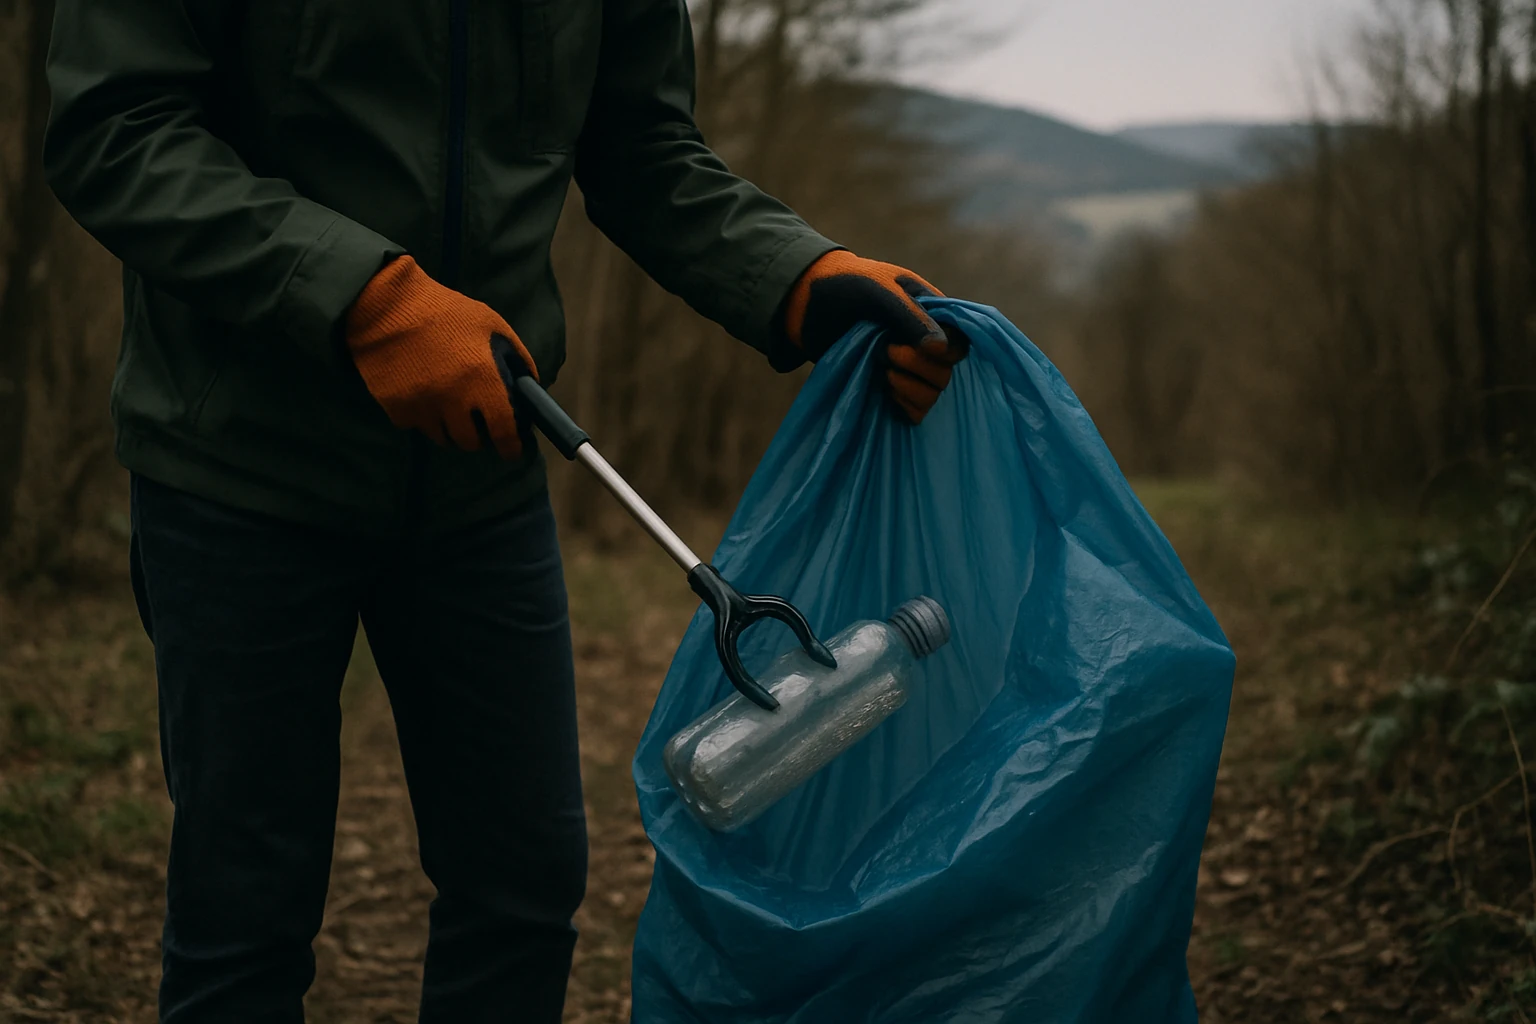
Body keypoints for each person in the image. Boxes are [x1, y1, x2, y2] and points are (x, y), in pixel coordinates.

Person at [42, 1, 969, 1021]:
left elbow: (642, 149)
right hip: (236, 466)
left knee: (521, 888)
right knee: (243, 915)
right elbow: (116, 131)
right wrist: (366, 299)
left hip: (479, 472)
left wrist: (800, 278)